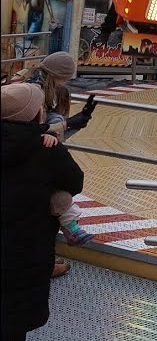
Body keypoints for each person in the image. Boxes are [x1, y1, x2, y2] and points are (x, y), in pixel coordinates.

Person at [2, 83, 85, 340]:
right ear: (35, 113)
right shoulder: (46, 151)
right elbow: (75, 182)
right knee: (15, 320)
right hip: (26, 250)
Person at [30, 52, 92, 247]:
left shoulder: (46, 93)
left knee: (55, 188)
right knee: (53, 189)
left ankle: (69, 229)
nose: (64, 84)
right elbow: (33, 131)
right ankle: (69, 229)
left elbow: (50, 134)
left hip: (34, 151)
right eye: (63, 78)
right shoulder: (33, 94)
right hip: (29, 155)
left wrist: (74, 124)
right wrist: (67, 124)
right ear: (54, 75)